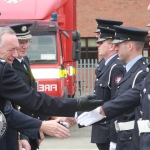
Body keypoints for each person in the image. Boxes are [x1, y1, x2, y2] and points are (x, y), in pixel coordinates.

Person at [0, 26, 103, 150]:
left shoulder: (18, 63)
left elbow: (8, 110)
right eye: (11, 50)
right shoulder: (3, 69)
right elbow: (31, 99)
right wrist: (76, 104)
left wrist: (37, 125)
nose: (15, 54)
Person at [78, 26, 149, 150]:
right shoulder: (129, 70)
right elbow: (122, 100)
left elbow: (136, 113)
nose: (116, 48)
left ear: (130, 46)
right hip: (123, 137)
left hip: (131, 139)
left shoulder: (140, 72)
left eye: (119, 44)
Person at [9, 23, 49, 150]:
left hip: (30, 126)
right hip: (18, 129)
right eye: (21, 42)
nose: (25, 46)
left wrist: (38, 127)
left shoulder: (24, 60)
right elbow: (14, 106)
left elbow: (32, 95)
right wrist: (23, 135)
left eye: (27, 42)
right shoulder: (8, 66)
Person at [91, 26, 125, 150]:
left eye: (101, 42)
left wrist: (114, 138)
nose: (97, 45)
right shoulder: (106, 65)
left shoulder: (116, 67)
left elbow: (117, 103)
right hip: (101, 129)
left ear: (111, 46)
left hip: (108, 130)